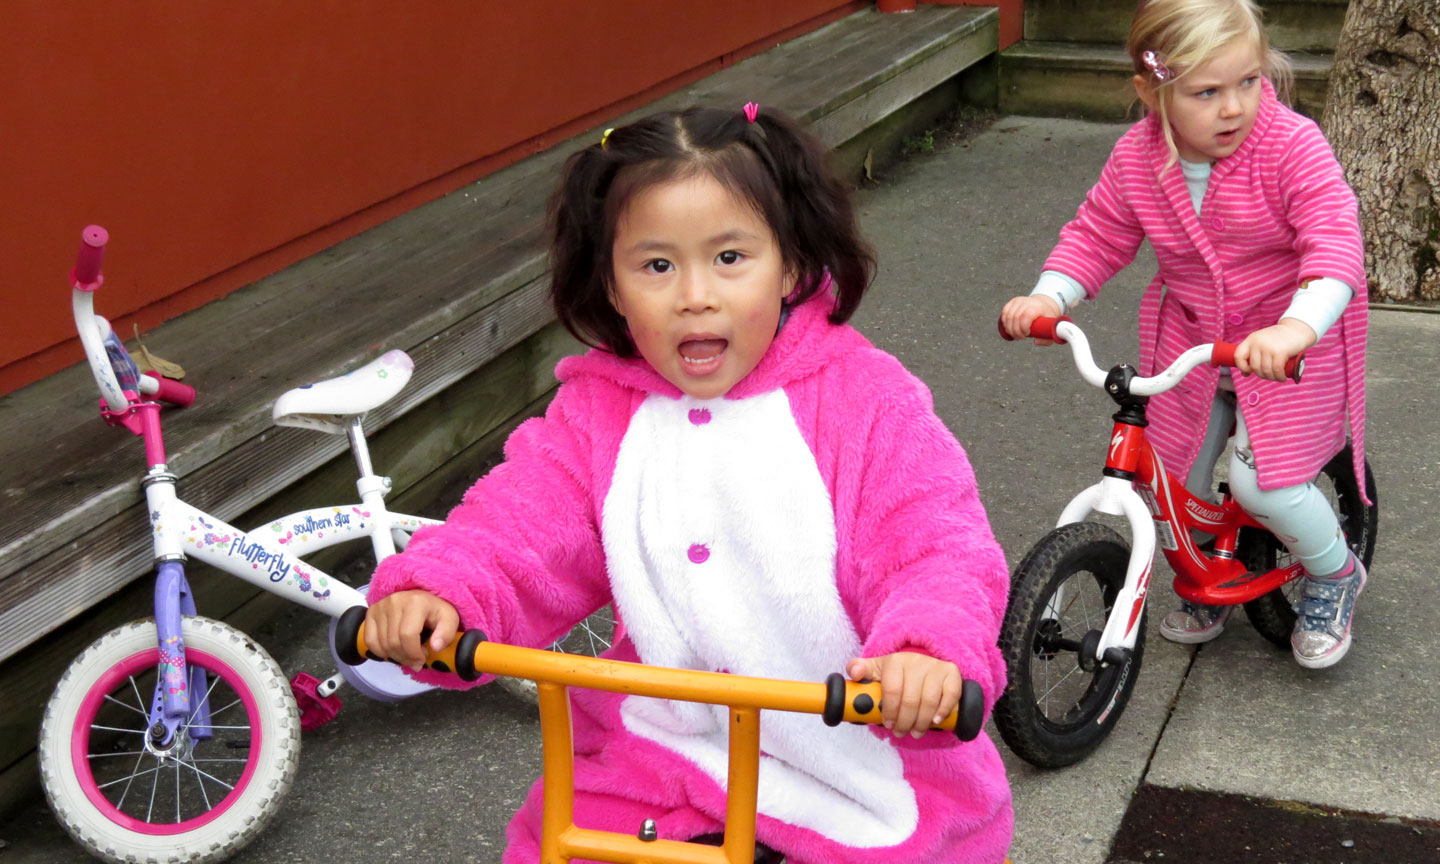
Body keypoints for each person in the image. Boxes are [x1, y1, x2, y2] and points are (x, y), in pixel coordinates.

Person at [364, 103, 1013, 863]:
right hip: (659, 763)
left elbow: (933, 542)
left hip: (859, 771)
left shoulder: (867, 403)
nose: (694, 294)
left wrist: (924, 650)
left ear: (793, 266)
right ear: (610, 285)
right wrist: (442, 592)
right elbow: (517, 527)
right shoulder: (597, 415)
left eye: (731, 258)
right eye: (657, 265)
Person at [1000, 0, 1370, 669]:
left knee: (1265, 485)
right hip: (1193, 344)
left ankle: (1335, 573)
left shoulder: (1290, 147)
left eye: (1249, 82)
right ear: (1152, 92)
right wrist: (1047, 296)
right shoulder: (1138, 159)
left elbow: (1333, 239)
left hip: (1285, 350)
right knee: (1174, 473)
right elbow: (1099, 232)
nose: (1234, 108)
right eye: (1207, 92)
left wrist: (1295, 327)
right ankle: (1207, 572)